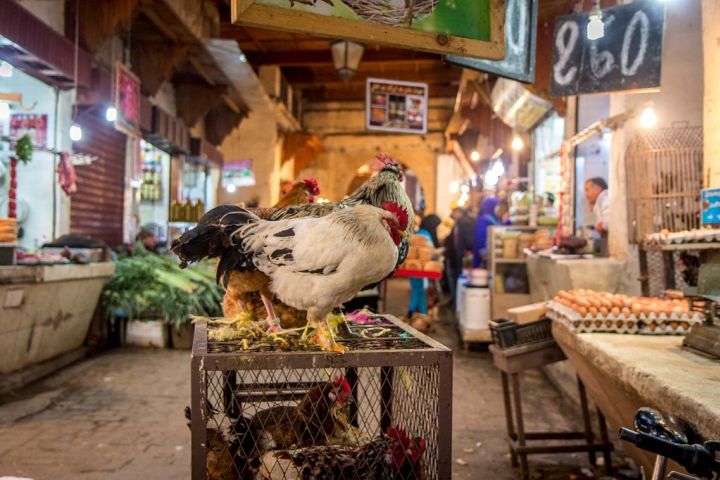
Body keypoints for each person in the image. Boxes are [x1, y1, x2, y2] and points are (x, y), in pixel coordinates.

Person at [443, 208, 475, 304]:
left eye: (455, 212)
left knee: (458, 280)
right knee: (455, 280)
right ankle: (456, 301)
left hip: (460, 258)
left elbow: (468, 241)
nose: (453, 214)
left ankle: (458, 302)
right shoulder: (458, 223)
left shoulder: (465, 223)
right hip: (455, 257)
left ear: (461, 213)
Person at [584, 177, 609, 256]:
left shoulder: (605, 198)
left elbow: (609, 223)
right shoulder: (601, 201)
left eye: (587, 190)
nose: (586, 195)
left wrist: (600, 226)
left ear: (597, 188)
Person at [472, 196, 500, 268]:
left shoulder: (493, 218)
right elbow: (480, 238)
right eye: (497, 206)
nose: (498, 208)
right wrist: (484, 254)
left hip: (492, 254)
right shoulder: (484, 219)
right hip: (484, 257)